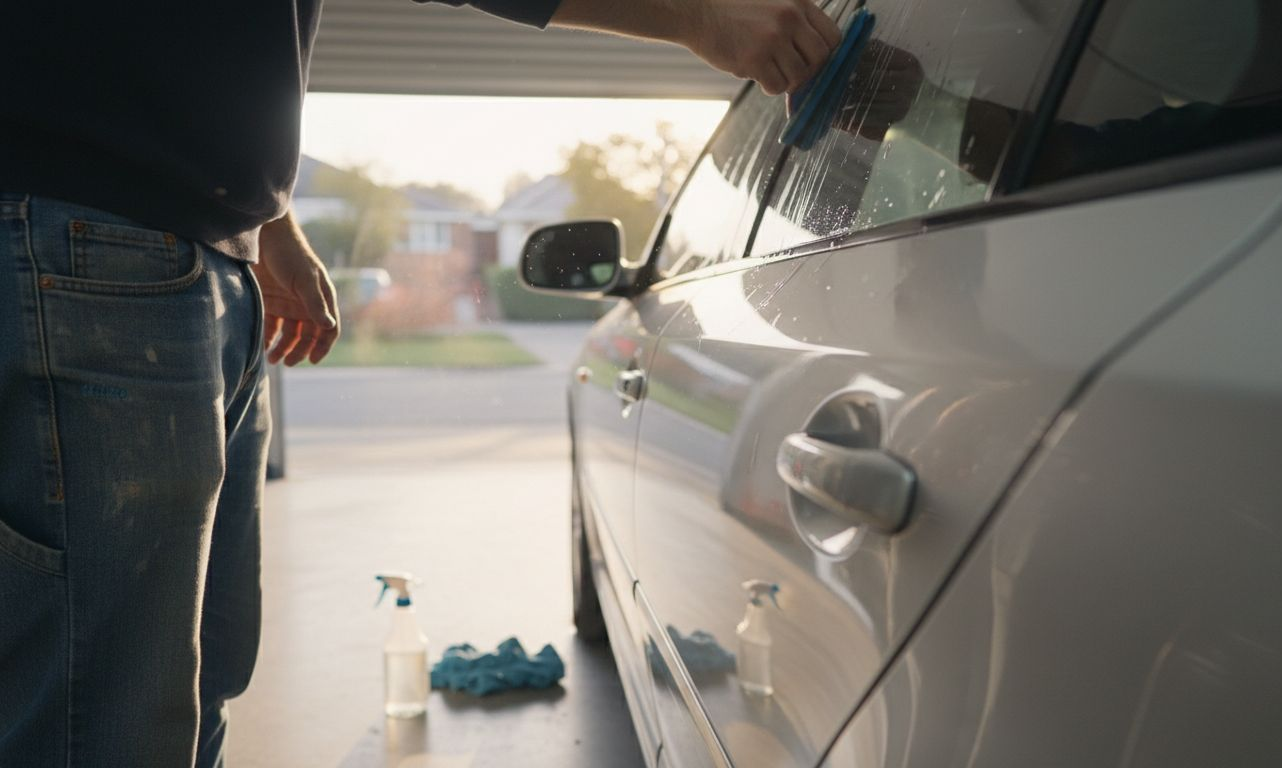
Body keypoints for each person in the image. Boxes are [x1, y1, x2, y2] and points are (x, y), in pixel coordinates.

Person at [0, 1, 841, 766]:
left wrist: (271, 224)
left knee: (197, 680)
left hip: (196, 258)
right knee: (107, 717)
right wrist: (699, 15)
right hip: (85, 244)